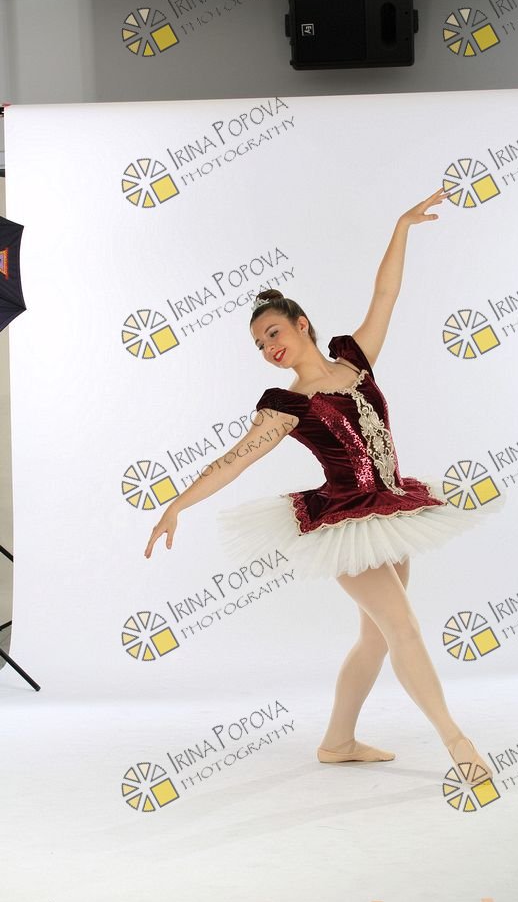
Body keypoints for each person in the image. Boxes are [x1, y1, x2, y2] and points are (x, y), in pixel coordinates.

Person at [145, 187, 493, 785]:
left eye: (273, 332)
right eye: (260, 345)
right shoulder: (288, 404)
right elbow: (235, 461)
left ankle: (337, 742)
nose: (269, 348)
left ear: (301, 324)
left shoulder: (354, 361)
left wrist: (402, 226)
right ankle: (458, 743)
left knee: (377, 639)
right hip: (343, 523)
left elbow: (385, 295)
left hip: (392, 509)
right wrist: (177, 504)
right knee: (404, 628)